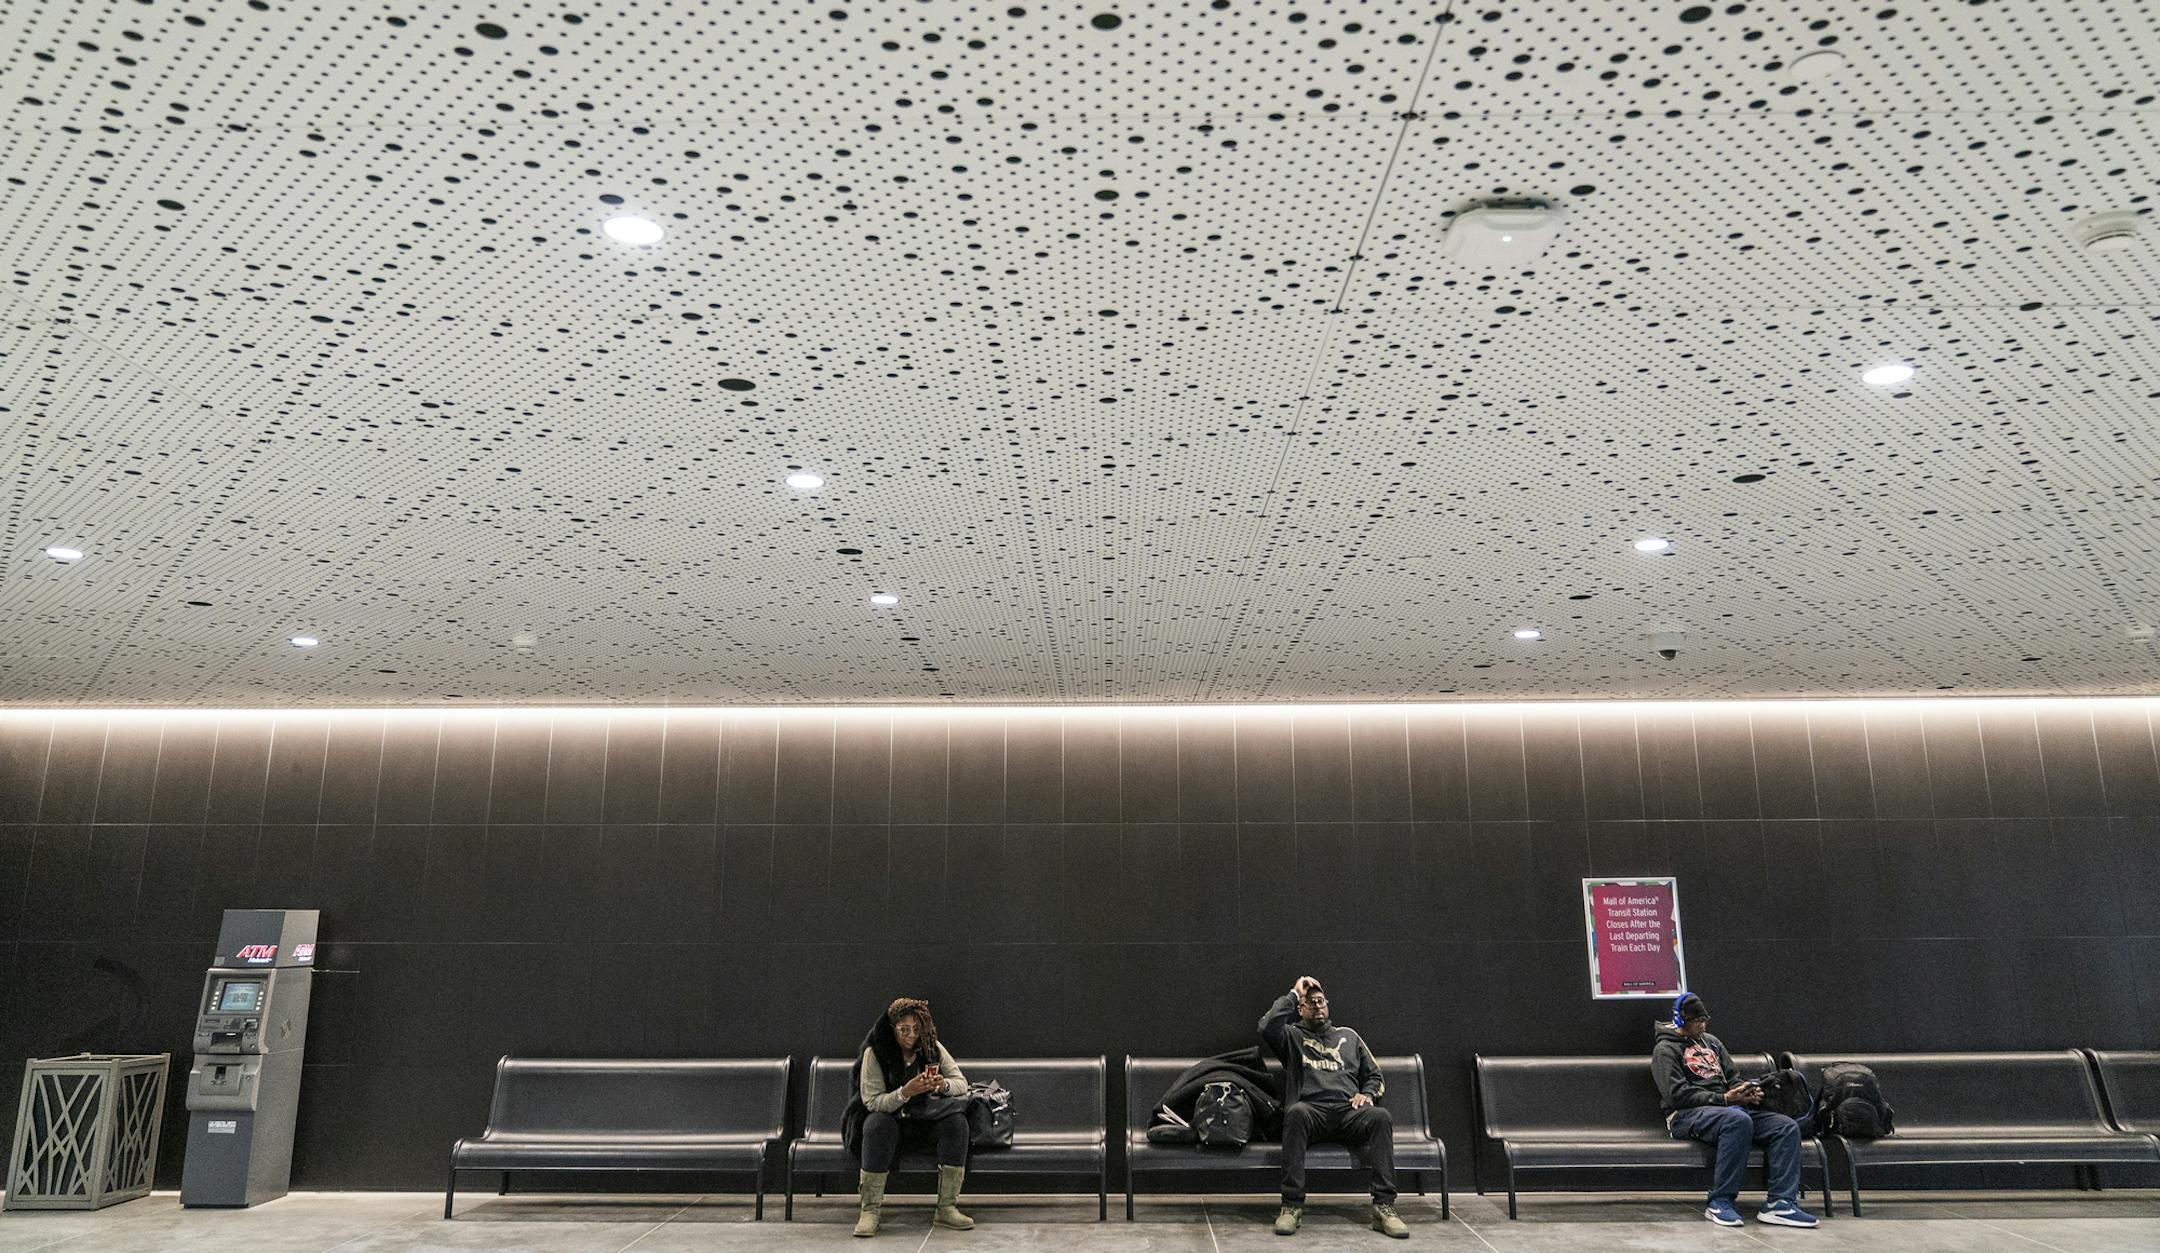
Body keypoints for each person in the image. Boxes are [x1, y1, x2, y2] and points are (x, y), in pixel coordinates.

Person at [1653, 992, 1818, 1229]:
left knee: (1785, 1126)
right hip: (1686, 1116)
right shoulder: (1665, 1050)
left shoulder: (1712, 1043)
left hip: (1729, 1110)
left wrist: (1746, 1093)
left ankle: (1780, 1203)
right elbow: (1676, 1095)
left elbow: (1732, 1079)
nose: (1703, 1025)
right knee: (1737, 1120)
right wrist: (1722, 1098)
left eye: (1704, 1020)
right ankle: (1720, 1201)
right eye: (1697, 1021)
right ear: (1681, 1022)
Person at [1259, 976, 1407, 1238]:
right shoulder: (1292, 1036)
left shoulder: (1349, 1037)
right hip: (1311, 1112)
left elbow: (1375, 1076)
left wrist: (1368, 1095)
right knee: (1294, 1113)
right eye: (1310, 1002)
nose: (1317, 1006)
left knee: (1380, 1117)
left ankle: (1384, 1206)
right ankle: (1291, 1206)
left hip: (1347, 1112)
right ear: (1300, 1009)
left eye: (1321, 1001)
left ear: (1328, 1006)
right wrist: (1294, 992)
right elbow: (1267, 1027)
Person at [843, 997, 974, 1238]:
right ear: (893, 1029)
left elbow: (961, 1083)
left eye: (917, 1029)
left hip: (921, 1121)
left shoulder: (931, 1047)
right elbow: (872, 1102)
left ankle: (946, 1207)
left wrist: (941, 1085)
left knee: (956, 1122)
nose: (911, 1035)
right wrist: (905, 1092)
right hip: (888, 1123)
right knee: (876, 1124)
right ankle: (870, 1210)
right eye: (904, 1029)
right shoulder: (876, 1053)